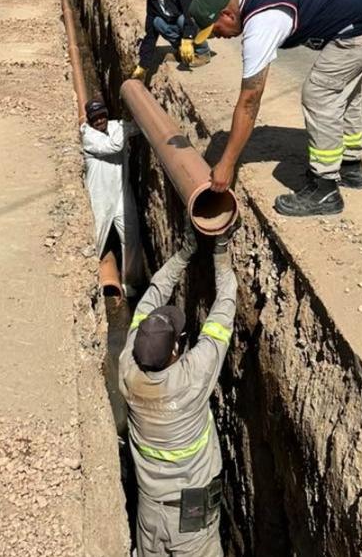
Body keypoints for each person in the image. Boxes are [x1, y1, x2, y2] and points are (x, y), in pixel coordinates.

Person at [188, 0, 362, 217]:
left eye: (215, 31)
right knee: (342, 86)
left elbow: (250, 101)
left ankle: (325, 190)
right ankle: (351, 166)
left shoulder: (261, 23)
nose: (217, 38)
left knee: (320, 92)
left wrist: (227, 163)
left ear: (227, 15)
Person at [118, 223, 235, 557]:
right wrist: (221, 252)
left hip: (149, 513)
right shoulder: (193, 378)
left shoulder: (128, 365)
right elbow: (224, 307)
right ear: (175, 352)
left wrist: (184, 252)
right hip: (191, 519)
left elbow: (151, 296)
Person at [81, 98, 146, 294]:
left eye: (102, 116)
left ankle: (130, 281)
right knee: (96, 239)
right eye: (95, 118)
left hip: (121, 193)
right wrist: (125, 129)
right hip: (99, 197)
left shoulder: (116, 126)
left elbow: (137, 127)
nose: (99, 121)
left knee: (131, 236)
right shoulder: (88, 135)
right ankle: (89, 281)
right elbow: (114, 145)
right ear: (90, 120)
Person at [131, 0, 212, 81]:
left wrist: (187, 38)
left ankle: (202, 53)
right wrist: (143, 66)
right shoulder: (152, 3)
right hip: (186, 23)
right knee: (157, 22)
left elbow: (190, 13)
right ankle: (183, 52)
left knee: (182, 19)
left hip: (205, 19)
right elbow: (150, 36)